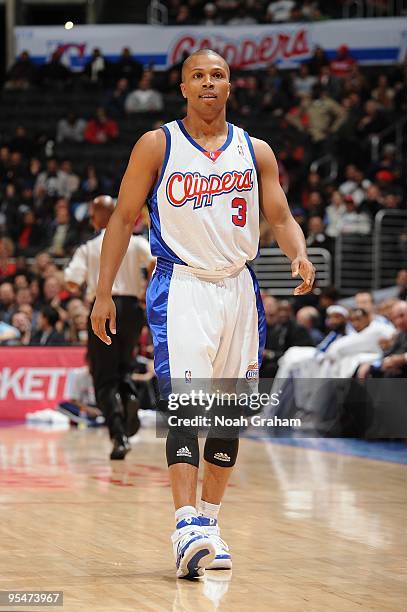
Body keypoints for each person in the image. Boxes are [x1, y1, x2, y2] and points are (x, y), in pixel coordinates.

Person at [90, 50, 315, 580]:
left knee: (229, 417)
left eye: (218, 75)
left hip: (240, 286)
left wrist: (298, 251)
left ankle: (209, 525)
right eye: (199, 76)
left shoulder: (255, 150)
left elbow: (280, 215)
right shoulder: (157, 144)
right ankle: (185, 522)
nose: (209, 83)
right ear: (184, 87)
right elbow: (123, 220)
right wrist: (103, 293)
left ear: (230, 87)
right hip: (183, 283)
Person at [65, 195, 155, 460]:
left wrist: (86, 285)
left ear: (94, 216)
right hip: (131, 310)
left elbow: (71, 282)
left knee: (104, 377)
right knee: (125, 367)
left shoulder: (88, 247)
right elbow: (154, 263)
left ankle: (119, 437)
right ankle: (129, 399)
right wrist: (143, 289)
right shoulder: (136, 241)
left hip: (102, 307)